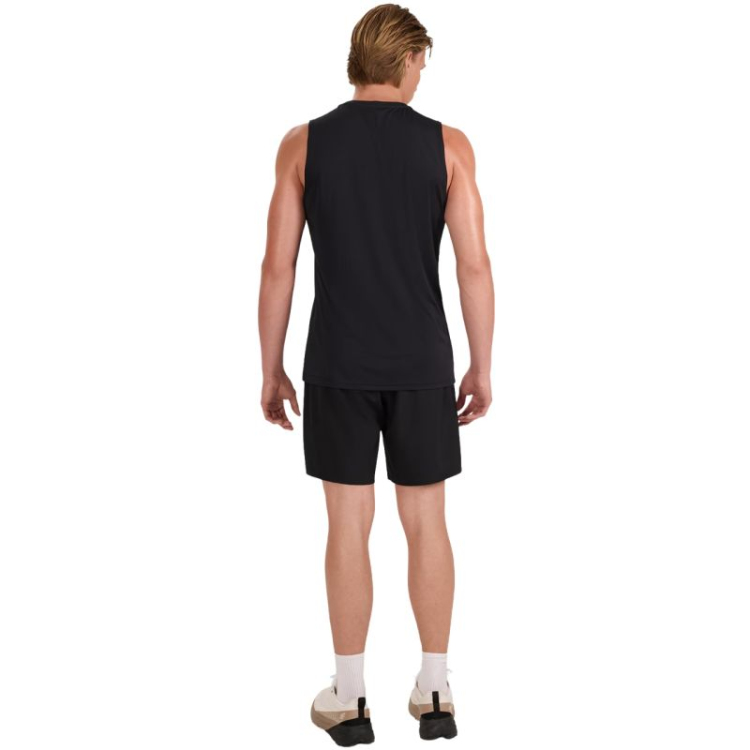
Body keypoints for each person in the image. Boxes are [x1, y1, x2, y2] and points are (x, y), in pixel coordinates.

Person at [258, 3, 494, 744]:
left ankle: (351, 695)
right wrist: (481, 365)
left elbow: (277, 267)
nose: (423, 74)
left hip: (337, 363)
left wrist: (271, 368)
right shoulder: (448, 145)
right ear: (406, 58)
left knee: (347, 525)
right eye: (422, 62)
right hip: (423, 364)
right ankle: (435, 687)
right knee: (427, 523)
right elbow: (475, 265)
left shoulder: (302, 144)